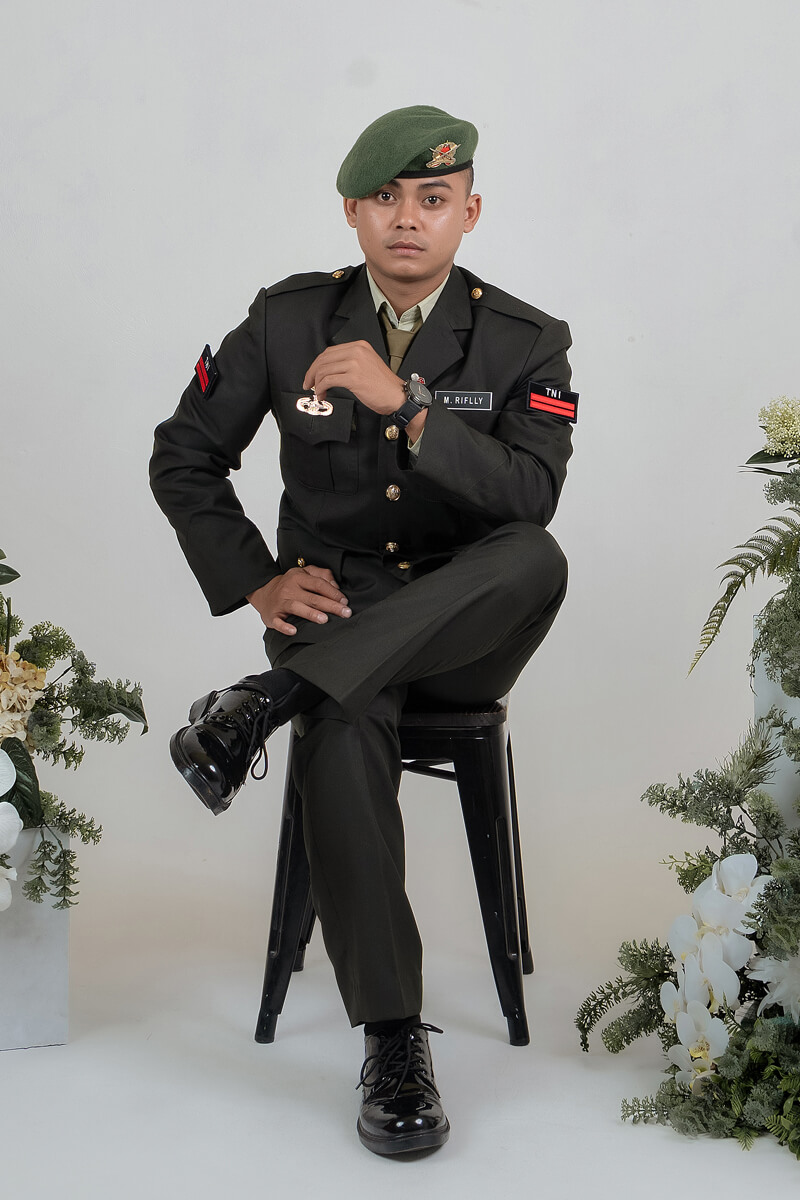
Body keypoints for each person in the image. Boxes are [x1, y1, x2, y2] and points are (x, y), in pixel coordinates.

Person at [149, 104, 577, 1157]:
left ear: (470, 212)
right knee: (342, 723)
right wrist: (257, 583)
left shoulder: (527, 341)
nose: (407, 218)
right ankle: (392, 1042)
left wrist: (409, 406)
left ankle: (265, 702)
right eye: (384, 197)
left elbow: (529, 497)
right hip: (329, 612)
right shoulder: (288, 319)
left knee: (536, 555)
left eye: (432, 198)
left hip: (461, 630)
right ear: (351, 211)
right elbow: (183, 455)